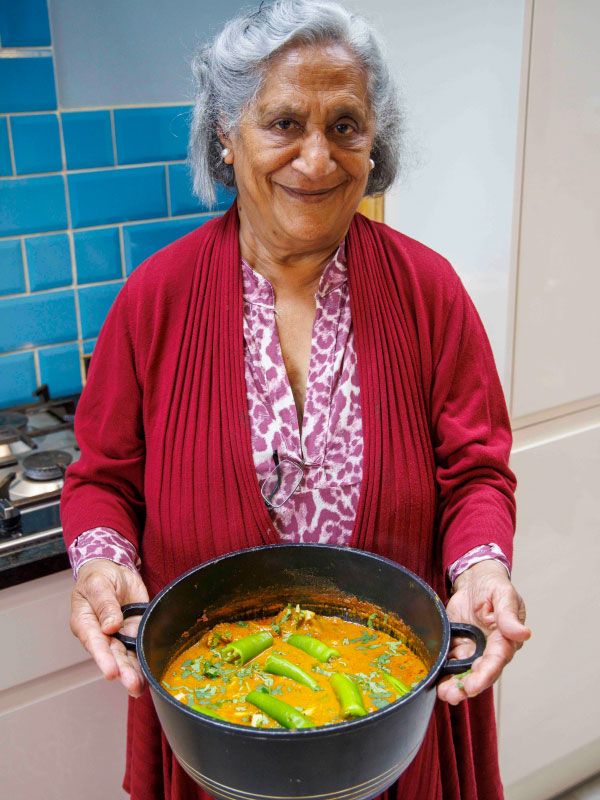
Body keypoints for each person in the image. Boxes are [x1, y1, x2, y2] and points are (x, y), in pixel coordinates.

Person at [61, 2, 531, 798]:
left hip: (391, 709)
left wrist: (482, 567)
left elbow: (476, 471)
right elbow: (103, 480)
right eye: (284, 122)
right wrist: (101, 563)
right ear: (226, 133)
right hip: (219, 724)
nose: (316, 160)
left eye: (345, 125)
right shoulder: (156, 299)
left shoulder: (430, 292)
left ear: (374, 142)